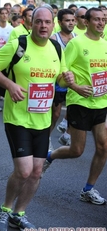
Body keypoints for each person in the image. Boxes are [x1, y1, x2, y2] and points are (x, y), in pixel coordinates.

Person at [0, 6, 74, 231]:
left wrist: (66, 79)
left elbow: (59, 81)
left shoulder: (56, 48)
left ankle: (19, 213)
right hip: (18, 118)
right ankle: (4, 209)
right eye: (38, 22)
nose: (43, 26)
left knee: (36, 172)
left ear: (53, 25)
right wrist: (10, 85)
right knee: (23, 171)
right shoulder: (18, 44)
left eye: (47, 22)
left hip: (42, 121)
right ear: (31, 23)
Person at [43, 7, 107, 205]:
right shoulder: (76, 43)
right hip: (79, 102)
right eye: (96, 19)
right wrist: (75, 86)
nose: (101, 22)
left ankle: (88, 189)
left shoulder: (105, 44)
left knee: (104, 146)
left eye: (103, 19)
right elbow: (62, 74)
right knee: (77, 150)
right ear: (86, 22)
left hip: (101, 101)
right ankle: (49, 157)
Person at [49, 9, 77, 148]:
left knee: (76, 109)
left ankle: (67, 134)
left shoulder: (77, 38)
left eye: (72, 20)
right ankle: (46, 139)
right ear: (59, 22)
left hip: (73, 81)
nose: (71, 23)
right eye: (67, 20)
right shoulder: (54, 39)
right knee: (55, 114)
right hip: (58, 81)